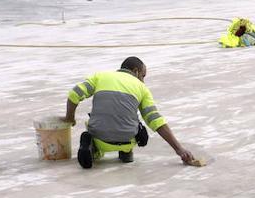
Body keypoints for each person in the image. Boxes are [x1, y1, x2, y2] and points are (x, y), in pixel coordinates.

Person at [64, 57, 195, 168]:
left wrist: (70, 118)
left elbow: (74, 94)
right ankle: (126, 152)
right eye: (143, 76)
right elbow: (155, 120)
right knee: (137, 125)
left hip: (100, 136)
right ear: (136, 71)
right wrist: (179, 149)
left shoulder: (100, 76)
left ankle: (94, 149)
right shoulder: (142, 88)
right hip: (126, 139)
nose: (143, 81)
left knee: (91, 122)